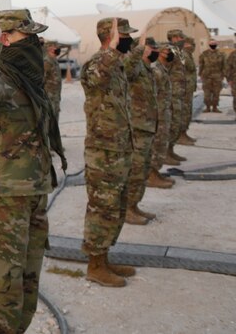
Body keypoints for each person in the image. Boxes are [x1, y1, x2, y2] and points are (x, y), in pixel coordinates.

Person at [0, 1, 66, 333]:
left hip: (32, 197)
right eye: (28, 36)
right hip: (1, 202)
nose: (36, 45)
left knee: (25, 296)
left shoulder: (27, 81)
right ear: (6, 39)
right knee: (0, 304)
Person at [81, 17, 138, 288]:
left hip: (119, 149)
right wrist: (112, 49)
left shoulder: (117, 66)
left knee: (115, 207)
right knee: (101, 208)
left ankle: (104, 258)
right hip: (102, 152)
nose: (128, 39)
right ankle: (95, 264)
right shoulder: (96, 64)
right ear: (110, 36)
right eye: (124, 35)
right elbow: (96, 77)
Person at [123, 36, 160, 224]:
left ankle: (135, 204)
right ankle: (127, 208)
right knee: (135, 170)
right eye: (150, 47)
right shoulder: (134, 68)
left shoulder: (148, 70)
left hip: (148, 126)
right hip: (137, 128)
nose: (154, 50)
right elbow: (128, 70)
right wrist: (137, 51)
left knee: (143, 169)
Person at [147, 43, 176, 189]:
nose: (170, 54)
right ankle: (151, 175)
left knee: (161, 143)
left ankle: (155, 172)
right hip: (157, 113)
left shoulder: (162, 68)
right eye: (167, 51)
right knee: (156, 144)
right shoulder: (155, 69)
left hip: (163, 111)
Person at [165, 29, 189, 162]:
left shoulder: (179, 52)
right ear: (173, 38)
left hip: (179, 92)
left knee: (177, 123)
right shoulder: (169, 51)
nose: (182, 40)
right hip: (171, 93)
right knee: (171, 124)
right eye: (179, 37)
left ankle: (171, 150)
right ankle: (165, 154)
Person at [199, 39, 227, 112]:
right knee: (207, 93)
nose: (213, 45)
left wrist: (223, 75)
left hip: (217, 76)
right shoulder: (204, 54)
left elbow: (224, 65)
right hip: (206, 76)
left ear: (216, 44)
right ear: (209, 44)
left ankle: (215, 107)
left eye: (214, 43)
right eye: (211, 43)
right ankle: (207, 107)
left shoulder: (221, 54)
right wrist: (200, 74)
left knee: (216, 93)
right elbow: (201, 65)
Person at [42, 40, 63, 119]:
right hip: (48, 98)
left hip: (55, 97)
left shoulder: (54, 61)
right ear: (50, 48)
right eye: (56, 47)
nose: (58, 49)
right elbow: (41, 80)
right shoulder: (46, 62)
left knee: (54, 121)